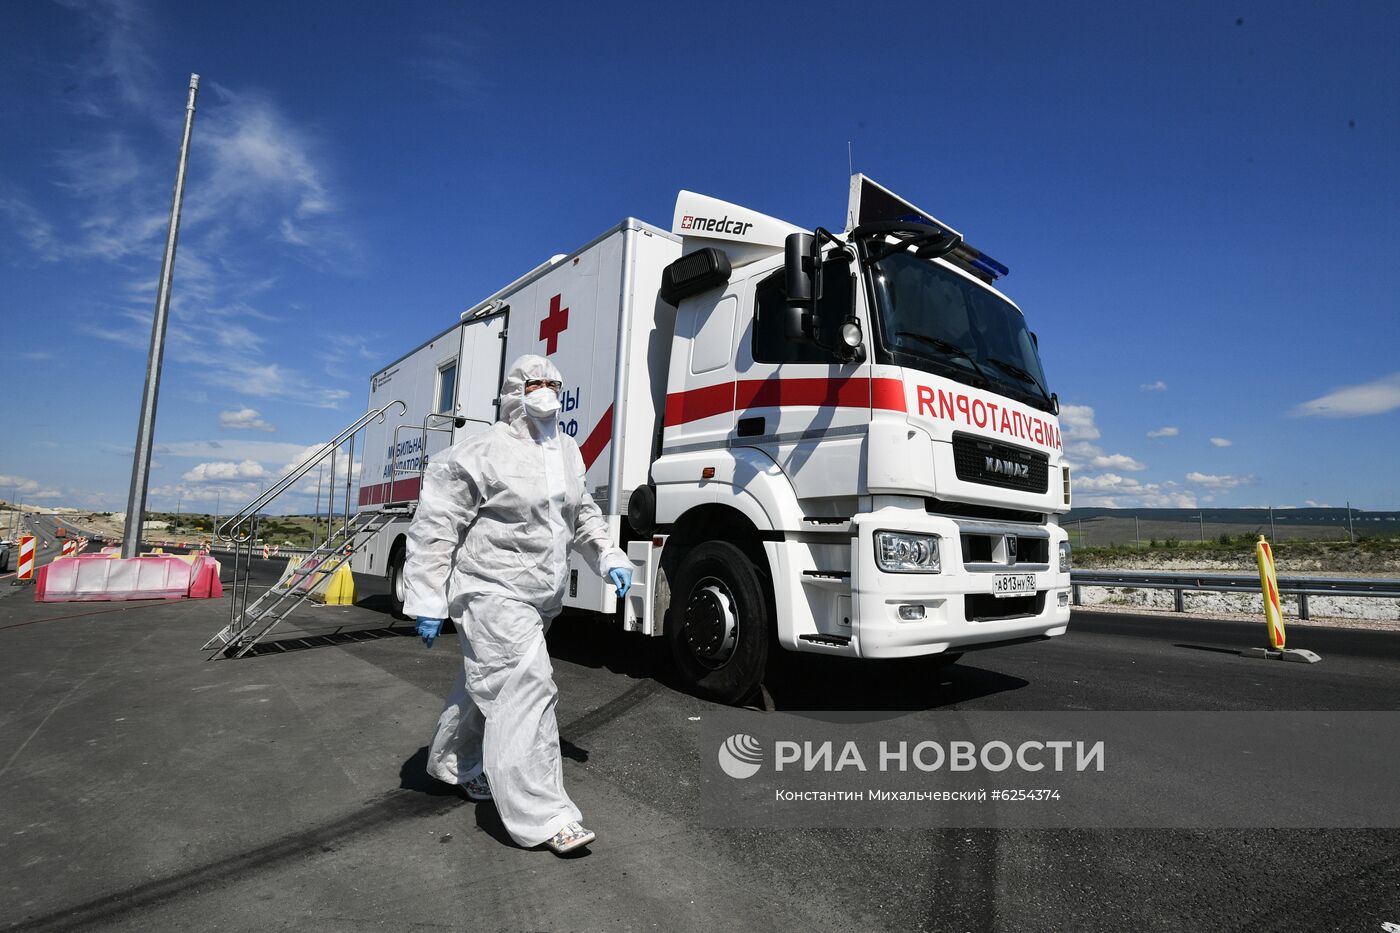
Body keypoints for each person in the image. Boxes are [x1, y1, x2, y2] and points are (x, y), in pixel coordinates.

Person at [402, 354, 633, 855]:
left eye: (554, 381)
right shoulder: (481, 451)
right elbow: (437, 526)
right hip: (489, 590)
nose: (546, 390)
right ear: (514, 391)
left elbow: (584, 513)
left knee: (487, 683)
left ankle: (451, 762)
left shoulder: (568, 450)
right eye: (536, 383)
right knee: (527, 686)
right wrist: (426, 596)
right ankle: (544, 814)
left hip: (538, 598)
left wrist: (608, 555)